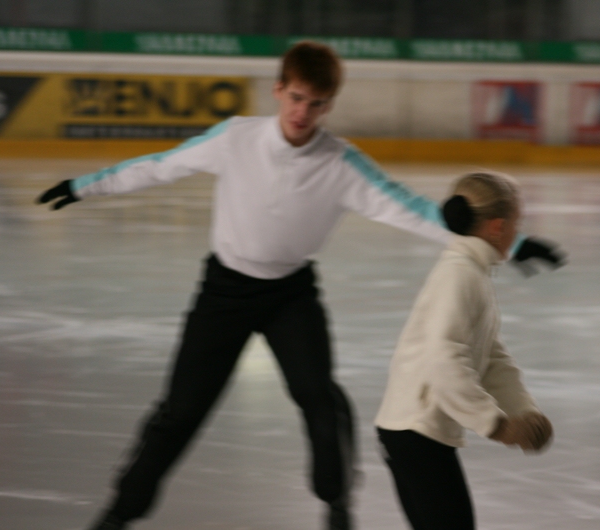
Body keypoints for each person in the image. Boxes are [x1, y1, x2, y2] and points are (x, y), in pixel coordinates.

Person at [36, 42, 564, 530]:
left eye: (316, 104)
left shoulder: (340, 164)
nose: (303, 113)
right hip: (224, 292)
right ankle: (120, 513)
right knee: (180, 410)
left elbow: (415, 211)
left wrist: (510, 243)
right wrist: (85, 186)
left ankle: (337, 506)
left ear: (329, 105)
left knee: (320, 398)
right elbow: (160, 167)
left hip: (290, 295)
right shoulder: (236, 139)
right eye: (295, 98)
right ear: (278, 90)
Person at [375, 172, 554, 530]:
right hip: (415, 431)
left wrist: (523, 410)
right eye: (516, 223)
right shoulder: (460, 276)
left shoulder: (471, 272)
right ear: (497, 227)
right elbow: (444, 358)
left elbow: (491, 356)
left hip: (417, 431)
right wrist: (495, 425)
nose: (517, 232)